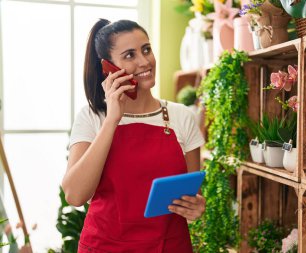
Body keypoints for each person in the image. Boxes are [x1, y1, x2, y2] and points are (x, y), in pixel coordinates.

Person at [61, 19, 206, 252]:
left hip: (169, 246)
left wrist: (197, 206)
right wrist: (112, 119)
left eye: (146, 49)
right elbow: (75, 194)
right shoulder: (92, 118)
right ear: (108, 67)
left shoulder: (182, 117)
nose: (144, 61)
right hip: (104, 247)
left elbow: (191, 197)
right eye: (129, 55)